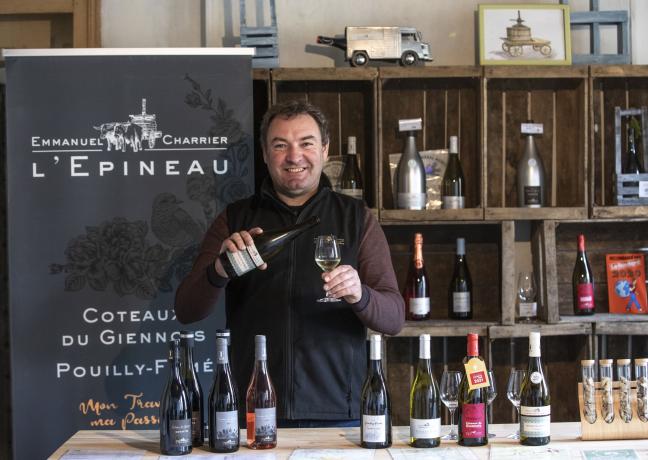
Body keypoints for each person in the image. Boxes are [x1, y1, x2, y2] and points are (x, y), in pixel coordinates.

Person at [174, 100, 404, 428]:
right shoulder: (235, 219)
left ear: (325, 150)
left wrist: (360, 295)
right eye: (280, 145)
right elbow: (186, 310)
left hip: (338, 412)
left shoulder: (356, 219)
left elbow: (394, 318)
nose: (294, 156)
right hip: (253, 410)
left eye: (306, 143)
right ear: (265, 155)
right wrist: (220, 270)